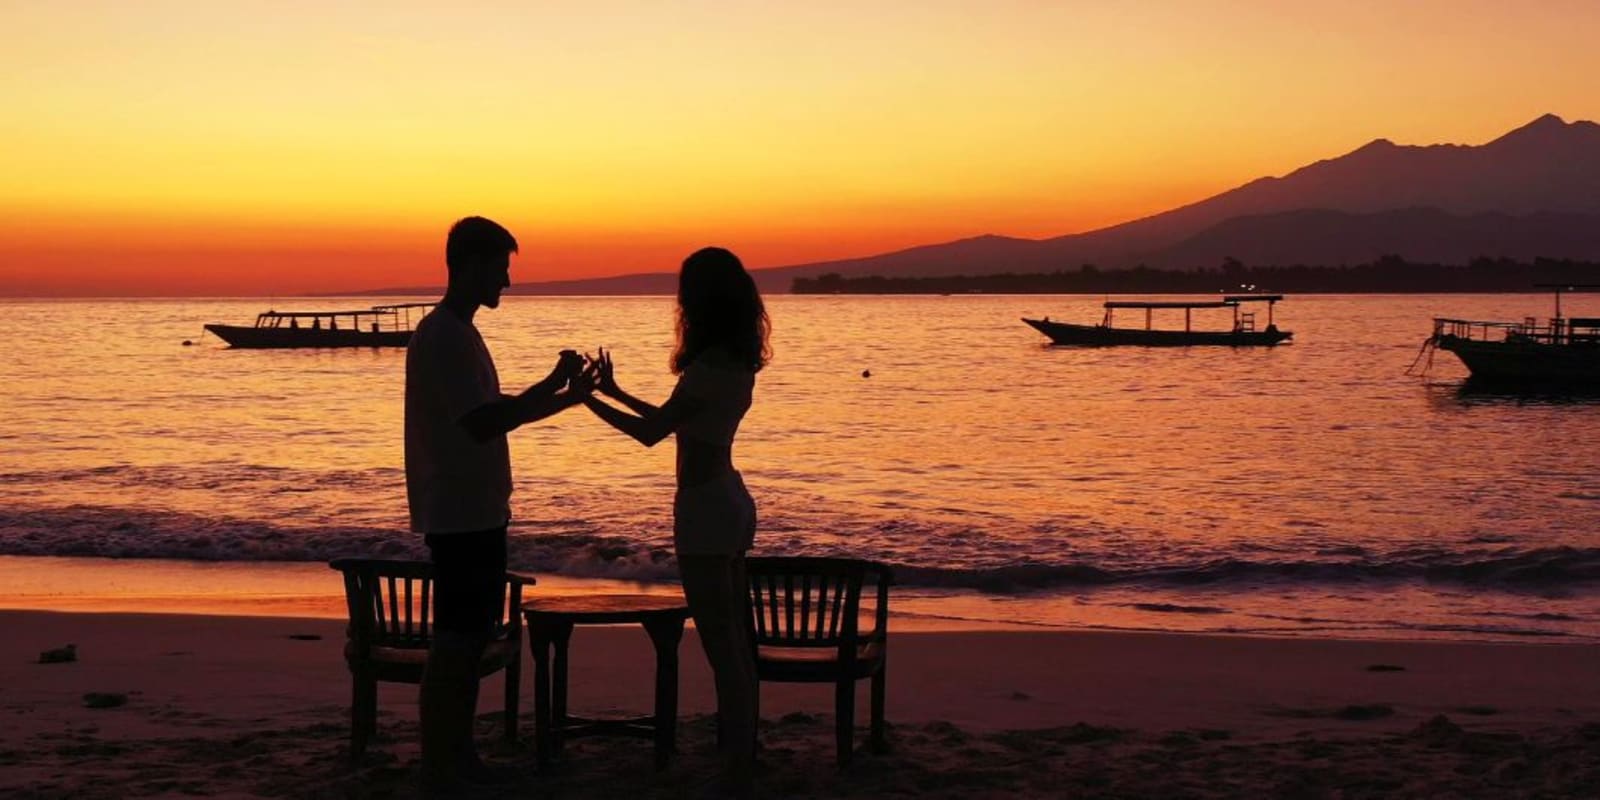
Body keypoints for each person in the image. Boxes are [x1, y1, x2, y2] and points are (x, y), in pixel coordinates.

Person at [404, 216, 592, 791]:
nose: (507, 282)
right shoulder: (444, 336)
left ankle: (454, 755)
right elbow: (486, 423)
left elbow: (495, 407)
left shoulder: (460, 333)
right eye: (501, 269)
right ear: (472, 266)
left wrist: (559, 385)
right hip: (460, 515)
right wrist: (563, 402)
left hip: (475, 511)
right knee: (458, 642)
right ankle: (445, 759)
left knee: (466, 636)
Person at [582, 246, 769, 798]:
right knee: (735, 641)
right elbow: (672, 419)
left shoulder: (711, 366)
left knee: (723, 647)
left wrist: (584, 401)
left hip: (707, 509)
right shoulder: (729, 361)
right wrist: (612, 391)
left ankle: (736, 767)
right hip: (729, 499)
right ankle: (742, 753)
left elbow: (650, 434)